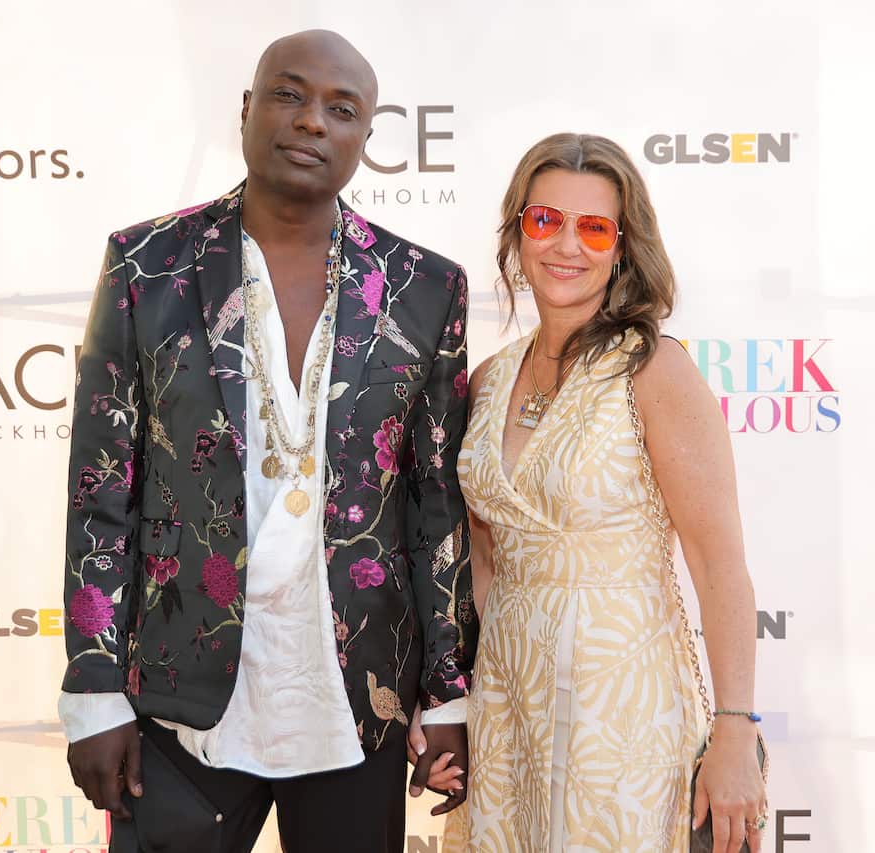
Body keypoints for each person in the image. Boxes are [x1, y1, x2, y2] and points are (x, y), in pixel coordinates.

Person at [57, 30, 477, 853]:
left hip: (356, 701)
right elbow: (99, 492)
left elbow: (436, 509)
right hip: (179, 702)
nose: (312, 122)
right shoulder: (145, 265)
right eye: (289, 96)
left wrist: (449, 692)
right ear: (247, 110)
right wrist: (95, 688)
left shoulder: (425, 289)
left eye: (341, 109)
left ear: (365, 137)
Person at [441, 133, 766, 852]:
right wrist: (457, 701)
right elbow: (485, 565)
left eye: (593, 227)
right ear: (517, 232)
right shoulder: (489, 379)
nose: (566, 245)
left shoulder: (655, 370)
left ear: (622, 246)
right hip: (507, 708)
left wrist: (735, 728)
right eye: (544, 220)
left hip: (623, 713)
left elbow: (718, 566)